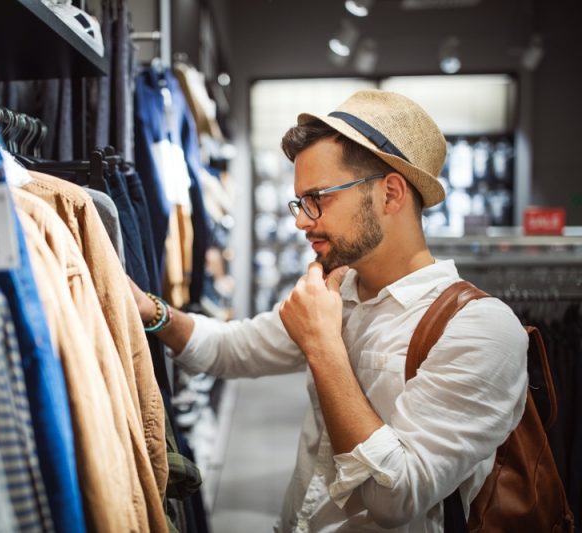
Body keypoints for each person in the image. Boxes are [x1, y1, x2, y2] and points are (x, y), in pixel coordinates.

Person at [131, 90, 529, 532]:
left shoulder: (481, 331)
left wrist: (321, 343)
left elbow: (394, 497)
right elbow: (232, 348)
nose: (302, 221)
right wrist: (150, 310)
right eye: (300, 202)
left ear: (390, 194)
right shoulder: (341, 292)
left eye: (318, 198)